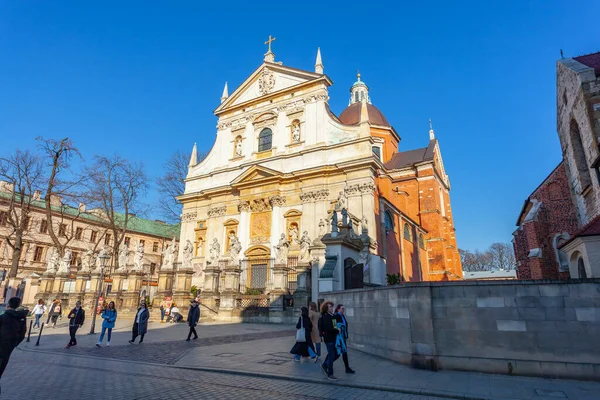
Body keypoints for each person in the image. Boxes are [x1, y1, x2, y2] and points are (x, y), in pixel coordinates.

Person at [0, 297, 27, 388]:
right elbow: (22, 335)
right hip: (8, 348)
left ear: (8, 305)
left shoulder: (3, 317)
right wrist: (14, 344)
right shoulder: (21, 317)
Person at [319, 301, 340, 381]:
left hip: (334, 338)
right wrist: (337, 330)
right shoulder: (325, 317)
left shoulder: (333, 316)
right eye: (330, 307)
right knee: (331, 355)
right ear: (326, 309)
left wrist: (337, 329)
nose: (332, 308)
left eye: (332, 306)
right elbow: (328, 329)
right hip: (329, 339)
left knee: (337, 354)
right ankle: (330, 374)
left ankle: (325, 365)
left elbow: (334, 326)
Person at [334, 304, 355, 374]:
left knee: (344, 352)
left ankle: (347, 368)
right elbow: (334, 326)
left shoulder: (342, 316)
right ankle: (326, 364)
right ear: (338, 309)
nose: (343, 310)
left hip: (343, 337)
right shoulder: (336, 316)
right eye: (342, 309)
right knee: (336, 354)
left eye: (344, 309)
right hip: (339, 337)